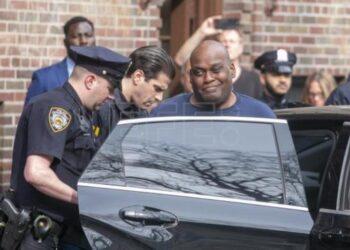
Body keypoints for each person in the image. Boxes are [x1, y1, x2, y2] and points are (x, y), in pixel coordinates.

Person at [10, 46, 130, 249]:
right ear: (90, 81)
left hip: (66, 234)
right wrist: (84, 200)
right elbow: (36, 173)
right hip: (40, 234)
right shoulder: (55, 107)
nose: (111, 96)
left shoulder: (83, 112)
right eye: (110, 89)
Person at [151, 40, 275, 118]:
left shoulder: (259, 115)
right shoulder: (165, 114)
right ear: (190, 77)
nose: (208, 78)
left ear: (232, 70)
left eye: (216, 70)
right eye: (199, 72)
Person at [96, 45, 176, 143]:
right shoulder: (102, 104)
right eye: (157, 89)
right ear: (138, 77)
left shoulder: (141, 109)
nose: (160, 98)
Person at [174, 16, 263, 98]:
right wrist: (202, 32)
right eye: (223, 41)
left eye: (232, 41)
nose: (227, 45)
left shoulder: (253, 79)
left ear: (241, 47)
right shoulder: (208, 77)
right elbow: (180, 60)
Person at [24, 16, 95, 105]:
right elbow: (30, 117)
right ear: (65, 42)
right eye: (76, 36)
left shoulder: (106, 77)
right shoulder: (44, 79)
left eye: (88, 35)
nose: (83, 41)